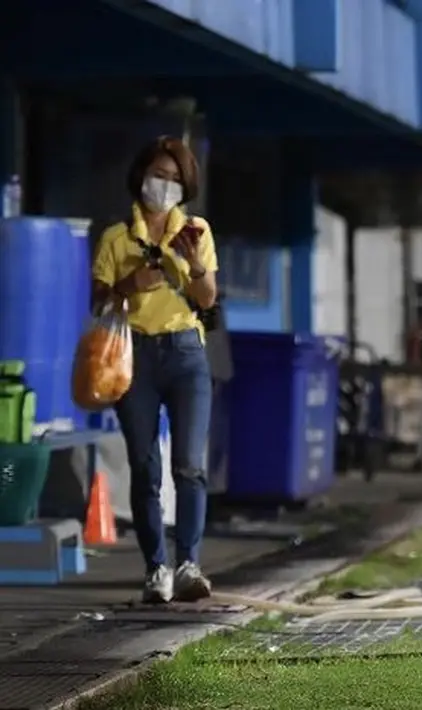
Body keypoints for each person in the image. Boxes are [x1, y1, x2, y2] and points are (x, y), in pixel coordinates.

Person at [90, 136, 218, 604]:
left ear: (186, 186)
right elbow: (97, 302)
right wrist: (128, 283)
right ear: (141, 176)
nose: (163, 186)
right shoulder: (116, 238)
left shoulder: (195, 232)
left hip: (185, 352)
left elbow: (208, 300)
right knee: (144, 466)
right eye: (157, 175)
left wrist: (192, 266)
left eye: (174, 179)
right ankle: (155, 569)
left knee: (189, 464)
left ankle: (188, 564)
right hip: (133, 356)